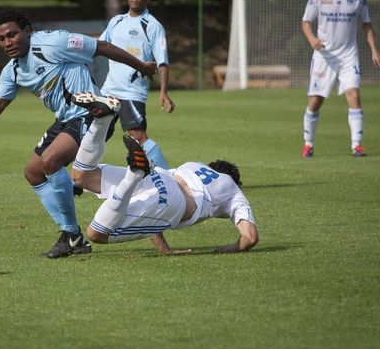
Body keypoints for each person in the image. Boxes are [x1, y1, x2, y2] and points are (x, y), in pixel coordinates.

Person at [0, 9, 156, 258]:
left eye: (12, 35)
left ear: (27, 31)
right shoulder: (13, 71)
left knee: (49, 160)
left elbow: (103, 46)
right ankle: (72, 236)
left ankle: (70, 235)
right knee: (33, 172)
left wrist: (142, 66)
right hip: (64, 120)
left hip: (92, 114)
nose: (7, 42)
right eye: (1, 39)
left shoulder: (54, 43)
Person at [69, 92, 258, 255]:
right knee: (97, 234)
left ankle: (102, 119)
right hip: (175, 204)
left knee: (80, 177)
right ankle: (133, 176)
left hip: (157, 177)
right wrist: (224, 250)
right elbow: (250, 238)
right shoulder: (234, 191)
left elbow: (152, 219)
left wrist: (164, 248)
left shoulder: (195, 165)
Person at [301, 0, 380, 158]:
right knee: (315, 102)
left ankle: (356, 145)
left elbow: (367, 24)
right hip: (324, 57)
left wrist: (374, 50)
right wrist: (312, 39)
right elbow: (305, 22)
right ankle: (308, 144)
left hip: (349, 56)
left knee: (354, 95)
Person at [98, 0, 174, 169]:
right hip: (108, 90)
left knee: (137, 137)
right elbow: (98, 46)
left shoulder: (153, 26)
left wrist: (163, 92)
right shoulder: (116, 21)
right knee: (92, 133)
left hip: (131, 92)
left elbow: (162, 61)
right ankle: (81, 177)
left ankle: (168, 178)